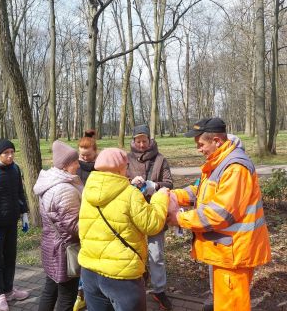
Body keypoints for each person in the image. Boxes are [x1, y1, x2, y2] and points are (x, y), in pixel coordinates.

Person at [164, 118, 271, 311]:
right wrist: (172, 195)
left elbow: (220, 214)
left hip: (234, 253)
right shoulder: (218, 163)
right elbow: (200, 191)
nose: (199, 149)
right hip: (226, 250)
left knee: (232, 306)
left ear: (217, 141)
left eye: (201, 144)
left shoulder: (235, 168)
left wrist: (179, 219)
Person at [78, 148, 170, 311]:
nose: (127, 170)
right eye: (126, 166)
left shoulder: (87, 191)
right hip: (122, 275)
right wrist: (160, 198)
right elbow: (152, 225)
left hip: (89, 272)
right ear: (120, 168)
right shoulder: (130, 194)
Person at [126, 124, 173, 310]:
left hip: (155, 213)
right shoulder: (126, 159)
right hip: (133, 212)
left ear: (150, 140)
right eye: (138, 141)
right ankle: (135, 283)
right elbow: (119, 180)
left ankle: (159, 289)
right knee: (133, 251)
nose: (141, 144)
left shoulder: (161, 159)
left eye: (144, 140)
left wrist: (155, 185)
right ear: (133, 141)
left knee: (156, 254)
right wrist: (131, 183)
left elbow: (170, 183)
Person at [0, 139, 30, 311]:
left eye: (12, 152)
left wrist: (24, 213)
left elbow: (19, 193)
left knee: (10, 257)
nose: (10, 156)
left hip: (11, 224)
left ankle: (9, 290)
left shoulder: (15, 169)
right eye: (6, 153)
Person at [33, 140, 83, 311]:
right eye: (74, 162)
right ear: (64, 165)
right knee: (67, 298)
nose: (78, 164)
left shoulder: (49, 182)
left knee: (50, 289)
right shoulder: (64, 190)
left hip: (51, 246)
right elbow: (73, 226)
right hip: (65, 252)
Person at [74, 130, 98, 311]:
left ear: (95, 152)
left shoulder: (100, 167)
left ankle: (94, 293)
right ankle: (81, 293)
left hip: (97, 219)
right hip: (80, 217)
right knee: (82, 258)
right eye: (81, 153)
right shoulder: (75, 167)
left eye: (87, 154)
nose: (84, 156)